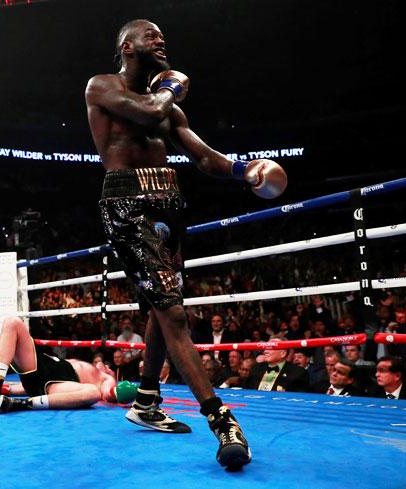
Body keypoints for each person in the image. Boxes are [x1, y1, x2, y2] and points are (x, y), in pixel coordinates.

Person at [85, 18, 286, 469]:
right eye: (150, 36)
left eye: (162, 35)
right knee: (173, 311)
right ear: (127, 46)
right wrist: (171, 87)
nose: (161, 40)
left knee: (165, 302)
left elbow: (204, 158)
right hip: (127, 204)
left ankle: (147, 400)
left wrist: (244, 171)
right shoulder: (102, 87)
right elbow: (152, 112)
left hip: (170, 206)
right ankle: (222, 421)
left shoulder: (168, 107)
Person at [0, 317, 137, 412]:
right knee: (12, 322)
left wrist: (126, 390)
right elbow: (30, 387)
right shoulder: (92, 366)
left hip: (58, 385)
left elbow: (110, 394)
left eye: (109, 367)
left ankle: (23, 404)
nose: (105, 365)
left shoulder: (106, 378)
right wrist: (6, 389)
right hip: (42, 367)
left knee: (93, 392)